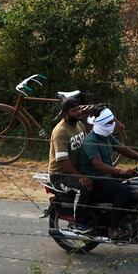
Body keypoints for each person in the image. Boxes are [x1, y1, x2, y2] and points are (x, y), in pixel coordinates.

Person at [75, 108, 138, 239]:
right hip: (95, 180)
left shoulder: (106, 137)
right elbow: (98, 165)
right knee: (123, 191)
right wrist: (120, 171)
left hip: (106, 177)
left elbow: (122, 148)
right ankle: (113, 229)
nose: (112, 125)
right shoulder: (91, 141)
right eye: (109, 123)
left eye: (112, 122)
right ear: (101, 124)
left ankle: (132, 219)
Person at [46, 92, 94, 233]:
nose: (79, 112)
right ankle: (79, 223)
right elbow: (64, 161)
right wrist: (80, 176)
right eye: (75, 110)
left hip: (74, 169)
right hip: (60, 174)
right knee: (82, 188)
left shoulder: (79, 125)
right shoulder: (60, 132)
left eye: (79, 109)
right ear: (65, 113)